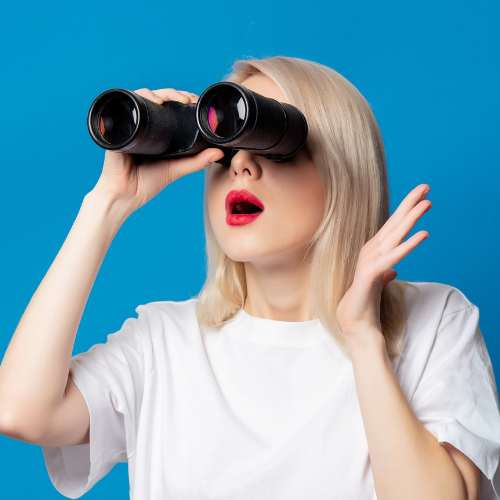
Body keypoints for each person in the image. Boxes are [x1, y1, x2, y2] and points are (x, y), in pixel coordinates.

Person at [0, 56, 498, 500]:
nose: (240, 164)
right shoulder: (163, 344)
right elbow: (20, 410)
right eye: (223, 148)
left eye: (271, 142)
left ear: (343, 173)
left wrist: (362, 334)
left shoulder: (434, 322)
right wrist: (108, 202)